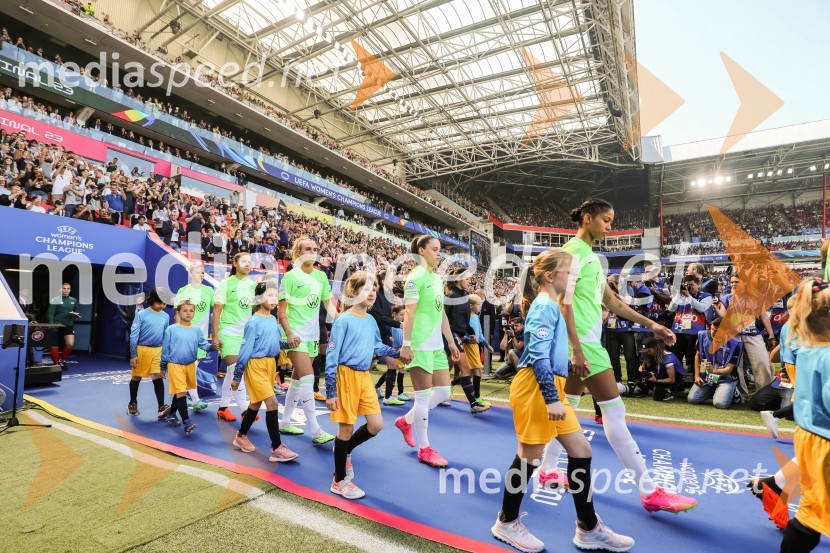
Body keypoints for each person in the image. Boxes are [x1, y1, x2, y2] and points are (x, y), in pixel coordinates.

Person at [547, 198, 697, 514]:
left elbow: (613, 303)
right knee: (614, 413)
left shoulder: (589, 256)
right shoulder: (572, 254)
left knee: (568, 405)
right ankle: (648, 490)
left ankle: (547, 467)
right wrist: (576, 348)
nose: (610, 226)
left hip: (580, 343)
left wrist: (653, 324)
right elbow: (564, 303)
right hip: (583, 344)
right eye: (606, 220)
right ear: (588, 219)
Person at [492, 248, 634, 553]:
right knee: (529, 458)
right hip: (536, 389)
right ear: (549, 276)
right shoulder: (545, 306)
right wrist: (553, 398)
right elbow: (539, 359)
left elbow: (548, 356)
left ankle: (589, 528)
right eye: (570, 272)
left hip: (549, 385)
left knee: (581, 450)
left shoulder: (552, 306)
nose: (576, 277)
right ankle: (506, 521)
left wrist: (568, 367)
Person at [325, 271, 400, 499]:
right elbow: (331, 357)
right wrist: (330, 391)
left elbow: (377, 346)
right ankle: (338, 481)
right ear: (353, 291)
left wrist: (397, 353)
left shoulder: (371, 320)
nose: (372, 293)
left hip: (364, 377)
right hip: (345, 376)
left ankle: (345, 451)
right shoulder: (343, 320)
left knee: (376, 425)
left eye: (375, 290)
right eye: (367, 289)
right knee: (345, 430)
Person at [394, 235, 461, 468]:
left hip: (436, 345)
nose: (439, 253)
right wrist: (406, 343)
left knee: (443, 393)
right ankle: (424, 449)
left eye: (440, 249)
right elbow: (409, 313)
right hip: (419, 343)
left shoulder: (436, 278)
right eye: (434, 249)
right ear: (421, 251)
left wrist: (450, 342)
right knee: (423, 398)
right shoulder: (414, 277)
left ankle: (406, 421)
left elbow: (440, 312)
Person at [777, 278, 830, 552]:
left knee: (811, 508)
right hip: (826, 445)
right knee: (815, 512)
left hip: (807, 437)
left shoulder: (808, 349)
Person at [230, 282, 299, 463]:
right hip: (255, 366)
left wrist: (289, 343)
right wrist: (237, 377)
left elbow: (276, 344)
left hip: (270, 365)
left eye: (276, 296)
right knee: (272, 403)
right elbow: (245, 352)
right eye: (270, 296)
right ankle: (276, 448)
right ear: (259, 298)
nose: (274, 300)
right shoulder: (253, 323)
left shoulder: (273, 321)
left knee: (254, 404)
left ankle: (241, 435)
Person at [277, 236, 335, 444]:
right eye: (307, 249)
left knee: (298, 378)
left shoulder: (321, 277)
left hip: (312, 335)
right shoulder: (290, 277)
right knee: (309, 377)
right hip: (295, 335)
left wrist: (340, 322)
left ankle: (284, 422)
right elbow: (281, 310)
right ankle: (316, 431)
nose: (312, 251)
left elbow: (329, 305)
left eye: (315, 248)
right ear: (298, 253)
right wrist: (289, 334)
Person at [212, 253, 257, 422]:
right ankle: (245, 410)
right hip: (228, 332)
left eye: (250, 262)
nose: (247, 264)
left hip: (244, 334)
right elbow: (216, 313)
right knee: (235, 369)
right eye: (244, 261)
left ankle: (223, 408)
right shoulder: (225, 284)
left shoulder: (253, 285)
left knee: (233, 373)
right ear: (235, 263)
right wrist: (215, 336)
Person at [714, 273, 776, 392]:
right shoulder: (727, 298)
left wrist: (771, 334)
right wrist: (716, 309)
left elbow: (764, 317)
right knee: (736, 366)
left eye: (736, 282)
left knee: (762, 363)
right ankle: (741, 393)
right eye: (732, 282)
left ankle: (763, 393)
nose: (733, 284)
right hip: (734, 336)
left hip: (753, 334)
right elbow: (724, 316)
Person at [160, 300, 212, 434]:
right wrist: (162, 366)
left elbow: (204, 345)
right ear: (178, 312)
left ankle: (171, 414)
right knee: (182, 392)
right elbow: (165, 350)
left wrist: (212, 347)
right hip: (175, 365)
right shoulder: (171, 329)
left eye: (191, 311)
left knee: (180, 391)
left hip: (190, 365)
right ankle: (186, 422)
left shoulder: (196, 330)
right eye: (185, 310)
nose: (188, 313)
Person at [445, 266, 490, 414]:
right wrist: (452, 338)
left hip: (461, 337)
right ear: (458, 280)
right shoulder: (451, 297)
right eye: (467, 278)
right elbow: (444, 320)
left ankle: (471, 402)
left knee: (456, 369)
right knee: (463, 369)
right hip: (452, 338)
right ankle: (473, 404)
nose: (469, 281)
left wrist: (470, 333)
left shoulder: (465, 297)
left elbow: (465, 321)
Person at [174, 264, 214, 413]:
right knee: (191, 369)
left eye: (203, 272)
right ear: (191, 274)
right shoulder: (183, 291)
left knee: (191, 369)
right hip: (187, 336)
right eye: (198, 272)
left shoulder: (209, 291)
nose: (201, 275)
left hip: (201, 338)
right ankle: (195, 400)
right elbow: (177, 315)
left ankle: (185, 396)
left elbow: (216, 311)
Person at [128, 288, 171, 418]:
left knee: (157, 377)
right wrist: (133, 355)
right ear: (152, 301)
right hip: (142, 350)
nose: (162, 306)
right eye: (159, 303)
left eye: (164, 303)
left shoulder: (166, 316)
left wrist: (166, 356)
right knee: (136, 377)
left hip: (158, 350)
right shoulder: (141, 315)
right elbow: (133, 336)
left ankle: (161, 407)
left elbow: (165, 336)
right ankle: (132, 403)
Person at [687, 317, 741, 409]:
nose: (712, 332)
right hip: (708, 376)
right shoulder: (702, 336)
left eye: (717, 331)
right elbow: (698, 355)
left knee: (720, 404)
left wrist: (713, 370)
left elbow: (729, 370)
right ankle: (714, 390)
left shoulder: (735, 344)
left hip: (726, 378)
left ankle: (733, 390)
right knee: (692, 399)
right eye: (712, 329)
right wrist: (697, 376)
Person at [369, 270, 404, 405]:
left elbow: (386, 317)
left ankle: (387, 396)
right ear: (383, 281)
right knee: (364, 366)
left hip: (383, 335)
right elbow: (378, 317)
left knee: (392, 364)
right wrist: (397, 324)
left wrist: (389, 334)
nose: (393, 282)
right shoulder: (376, 296)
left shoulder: (388, 297)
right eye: (391, 280)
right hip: (372, 335)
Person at [668, 274, 713, 379]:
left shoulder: (706, 296)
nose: (689, 287)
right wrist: (678, 294)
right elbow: (671, 308)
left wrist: (689, 296)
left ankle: (696, 379)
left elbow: (702, 308)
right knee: (676, 357)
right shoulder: (681, 296)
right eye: (687, 285)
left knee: (694, 358)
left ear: (698, 284)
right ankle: (678, 382)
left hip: (696, 332)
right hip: (679, 330)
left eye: (692, 285)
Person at [637, 337, 684, 402]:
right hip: (660, 376)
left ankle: (667, 390)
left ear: (656, 348)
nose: (647, 353)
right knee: (643, 373)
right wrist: (642, 368)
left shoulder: (668, 358)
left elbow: (672, 380)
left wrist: (656, 380)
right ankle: (656, 387)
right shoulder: (651, 355)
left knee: (658, 396)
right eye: (646, 351)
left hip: (675, 380)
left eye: (649, 350)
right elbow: (644, 365)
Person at [468, 294, 494, 405]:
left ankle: (453, 384)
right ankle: (477, 397)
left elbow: (480, 334)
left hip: (476, 346)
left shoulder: (476, 317)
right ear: (470, 305)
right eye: (478, 304)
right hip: (469, 346)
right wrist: (468, 338)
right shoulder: (467, 318)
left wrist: (487, 345)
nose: (480, 306)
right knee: (477, 370)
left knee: (469, 373)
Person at [47, 282, 79, 369]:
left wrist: (74, 315)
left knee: (70, 344)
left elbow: (74, 310)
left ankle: (62, 360)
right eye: (64, 288)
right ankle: (56, 364)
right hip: (56, 325)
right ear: (60, 290)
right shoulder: (55, 299)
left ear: (70, 290)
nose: (66, 290)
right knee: (54, 344)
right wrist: (51, 325)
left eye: (68, 288)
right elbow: (50, 314)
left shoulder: (73, 300)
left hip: (68, 325)